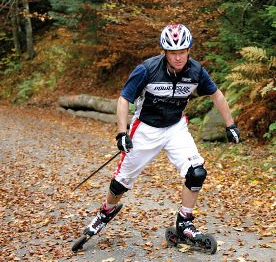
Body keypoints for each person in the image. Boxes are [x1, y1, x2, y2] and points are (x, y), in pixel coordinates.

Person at [84, 24, 240, 240]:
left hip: (175, 127)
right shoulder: (147, 70)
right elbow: (124, 99)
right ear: (164, 52)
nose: (178, 57)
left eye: (182, 52)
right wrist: (122, 133)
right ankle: (106, 212)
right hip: (145, 129)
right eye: (173, 53)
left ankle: (185, 221)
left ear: (189, 50)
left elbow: (217, 96)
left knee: (196, 172)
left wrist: (230, 125)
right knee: (121, 182)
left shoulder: (196, 71)